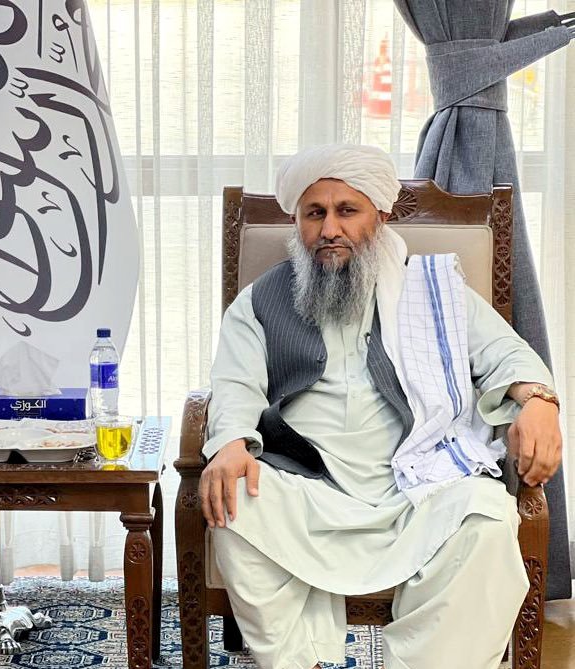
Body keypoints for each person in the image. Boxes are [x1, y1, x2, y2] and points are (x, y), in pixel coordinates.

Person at [200, 143, 561, 669]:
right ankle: (302, 662)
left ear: (381, 216)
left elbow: (507, 354)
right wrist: (231, 443)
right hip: (306, 486)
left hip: (415, 485)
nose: (330, 229)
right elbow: (234, 384)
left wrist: (538, 402)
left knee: (487, 518)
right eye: (314, 214)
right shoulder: (259, 301)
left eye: (347, 211)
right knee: (230, 496)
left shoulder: (433, 292)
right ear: (297, 223)